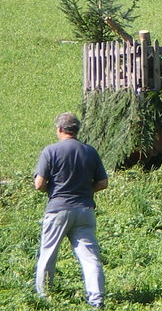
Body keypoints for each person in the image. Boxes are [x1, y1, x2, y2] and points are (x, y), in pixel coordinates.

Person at [34, 112, 108, 309]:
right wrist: (86, 191)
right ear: (76, 130)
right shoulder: (90, 151)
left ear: (59, 129)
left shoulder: (50, 151)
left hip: (58, 210)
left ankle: (44, 297)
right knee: (90, 258)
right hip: (84, 210)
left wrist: (52, 190)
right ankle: (96, 300)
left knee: (48, 254)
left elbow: (39, 184)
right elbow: (103, 182)